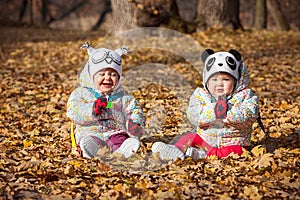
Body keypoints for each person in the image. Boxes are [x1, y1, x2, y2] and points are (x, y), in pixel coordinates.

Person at [152, 49, 259, 160]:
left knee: (239, 151)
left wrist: (228, 115)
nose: (219, 84)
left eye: (226, 79)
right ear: (207, 82)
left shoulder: (245, 96)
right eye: (214, 80)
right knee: (190, 137)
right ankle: (175, 150)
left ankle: (198, 155)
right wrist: (212, 112)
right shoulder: (201, 95)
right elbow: (193, 115)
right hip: (205, 140)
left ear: (237, 81)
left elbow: (250, 113)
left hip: (232, 142)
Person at [67, 42, 145, 159]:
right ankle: (90, 149)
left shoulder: (123, 98)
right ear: (92, 76)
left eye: (113, 74)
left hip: (115, 131)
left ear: (119, 78)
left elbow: (134, 111)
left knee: (120, 139)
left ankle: (123, 149)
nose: (107, 77)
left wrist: (135, 124)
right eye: (102, 74)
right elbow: (74, 112)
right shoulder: (82, 93)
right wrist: (92, 109)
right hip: (90, 131)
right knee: (91, 140)